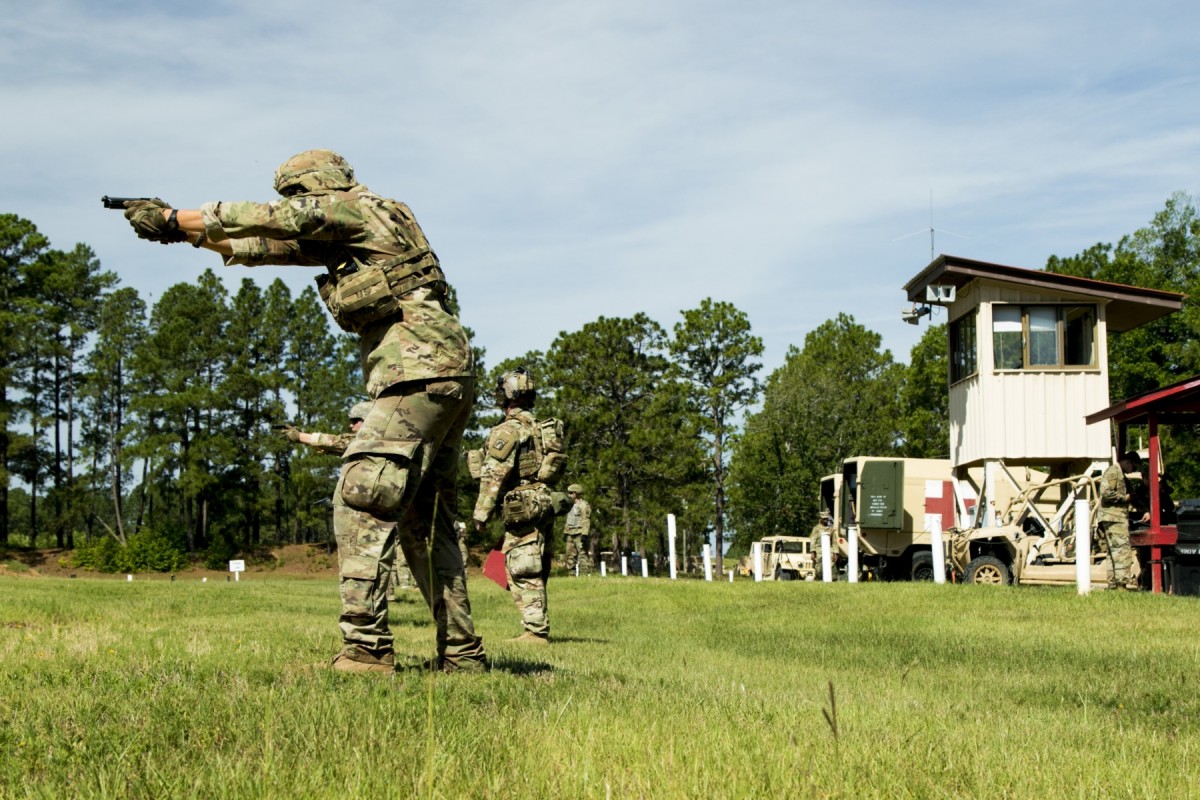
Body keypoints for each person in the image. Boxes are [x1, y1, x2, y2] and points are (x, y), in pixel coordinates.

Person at [123, 150, 487, 673]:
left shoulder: (359, 209)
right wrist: (184, 234)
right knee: (425, 525)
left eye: (296, 193)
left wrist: (174, 216)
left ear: (316, 185)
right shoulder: (368, 223)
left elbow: (280, 218)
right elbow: (268, 245)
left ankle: (367, 650)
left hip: (417, 370)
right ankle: (461, 655)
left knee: (361, 497)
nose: (294, 203)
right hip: (442, 372)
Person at [278, 401, 416, 599]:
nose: (351, 426)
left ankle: (360, 608)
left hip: (363, 513)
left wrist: (300, 436)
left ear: (368, 421)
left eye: (355, 421)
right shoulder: (394, 439)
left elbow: (336, 442)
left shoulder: (372, 441)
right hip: (385, 510)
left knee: (357, 562)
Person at [473, 368, 564, 644]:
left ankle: (535, 631)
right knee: (537, 564)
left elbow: (494, 474)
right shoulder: (540, 427)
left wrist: (481, 513)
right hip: (543, 501)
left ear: (506, 394)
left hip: (521, 506)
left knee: (523, 567)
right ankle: (536, 626)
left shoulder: (509, 429)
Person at [1098, 451, 1142, 591]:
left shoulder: (1120, 475)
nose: (1133, 471)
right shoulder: (1113, 472)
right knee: (1122, 551)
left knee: (1113, 552)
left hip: (1113, 517)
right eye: (1134, 467)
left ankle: (1113, 585)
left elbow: (1133, 495)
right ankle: (1121, 585)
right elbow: (1105, 493)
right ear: (1128, 462)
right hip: (1114, 518)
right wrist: (1124, 498)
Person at [563, 484, 592, 576]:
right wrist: (565, 533)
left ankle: (584, 576)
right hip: (570, 534)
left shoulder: (583, 505)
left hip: (579, 534)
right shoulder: (569, 505)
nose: (569, 495)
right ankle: (571, 576)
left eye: (571, 493)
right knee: (569, 556)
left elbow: (585, 520)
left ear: (576, 493)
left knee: (582, 556)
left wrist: (584, 534)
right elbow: (568, 520)